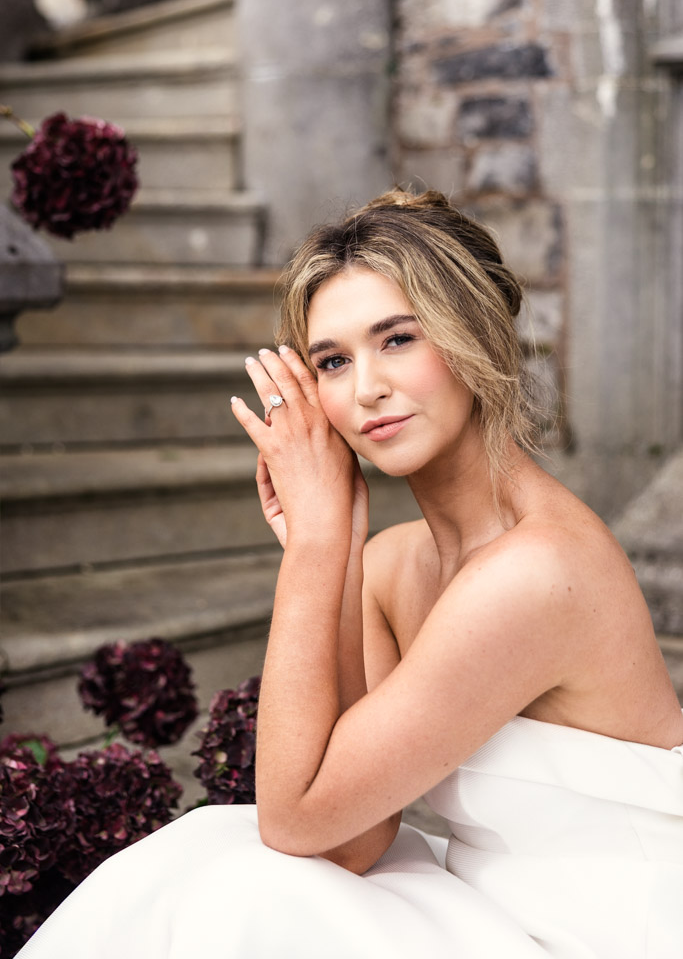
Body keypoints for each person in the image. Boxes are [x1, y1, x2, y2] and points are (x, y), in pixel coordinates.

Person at [18, 189, 683, 958]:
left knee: (242, 888)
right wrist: (328, 544)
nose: (365, 388)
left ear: (477, 337)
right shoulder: (394, 564)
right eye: (332, 361)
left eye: (397, 340)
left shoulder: (535, 572)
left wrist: (313, 548)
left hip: (621, 931)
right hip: (506, 908)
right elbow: (346, 839)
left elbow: (295, 817)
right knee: (210, 861)